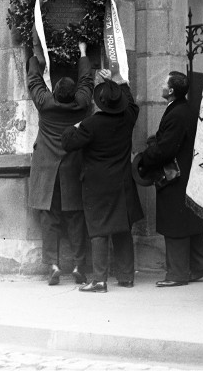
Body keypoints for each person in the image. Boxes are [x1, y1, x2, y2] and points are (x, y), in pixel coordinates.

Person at [61, 69, 144, 293]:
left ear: (99, 102)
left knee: (98, 229)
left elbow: (68, 142)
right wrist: (120, 83)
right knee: (122, 228)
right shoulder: (128, 118)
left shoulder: (91, 124)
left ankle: (99, 280)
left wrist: (76, 125)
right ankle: (126, 277)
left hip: (97, 185)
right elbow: (132, 104)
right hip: (122, 181)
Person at [27, 41, 93, 286]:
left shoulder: (46, 103)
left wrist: (34, 54)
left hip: (46, 170)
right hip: (73, 169)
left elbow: (34, 80)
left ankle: (53, 265)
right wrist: (83, 53)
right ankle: (78, 265)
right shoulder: (82, 104)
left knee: (50, 218)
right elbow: (87, 81)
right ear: (73, 94)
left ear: (54, 92)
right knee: (76, 218)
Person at [137, 71, 203, 287]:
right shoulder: (184, 109)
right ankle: (199, 265)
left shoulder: (177, 113)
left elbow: (167, 148)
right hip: (186, 173)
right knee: (189, 219)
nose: (160, 85)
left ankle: (177, 274)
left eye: (163, 83)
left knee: (175, 223)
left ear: (170, 91)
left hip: (174, 176)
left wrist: (145, 158)